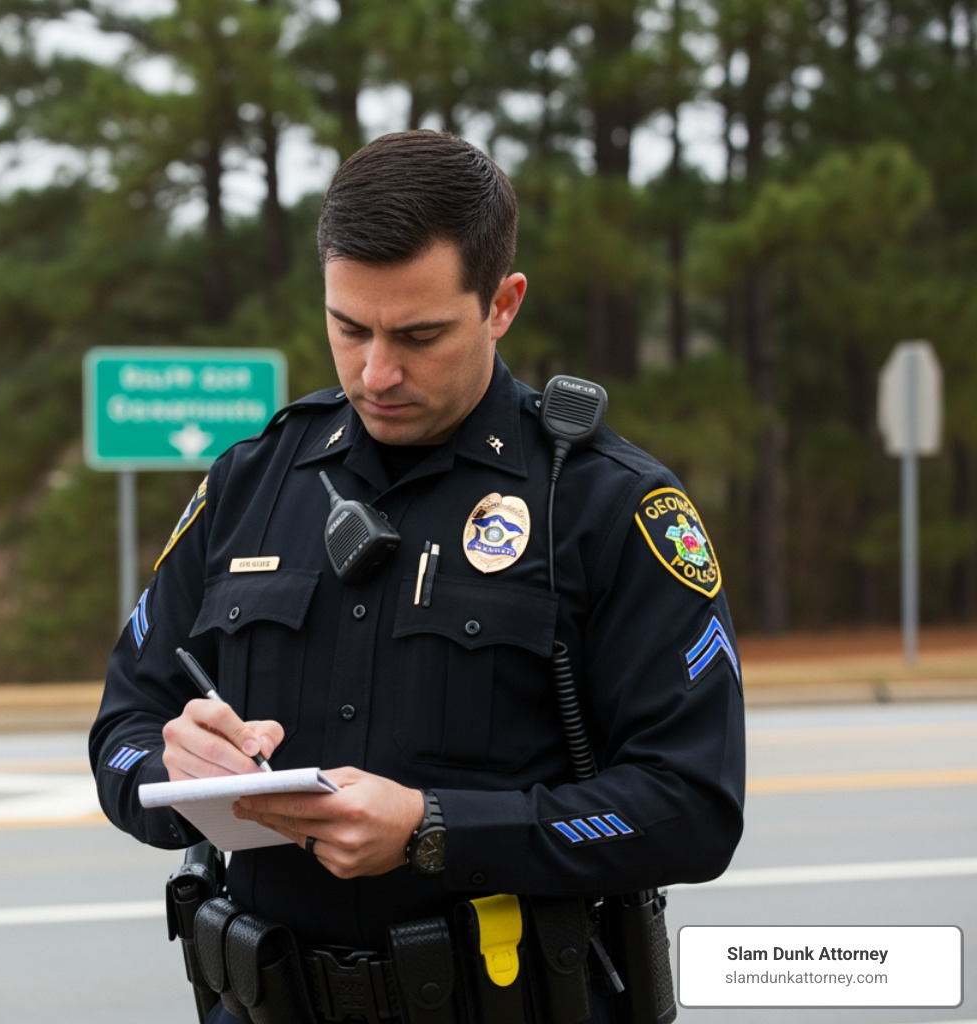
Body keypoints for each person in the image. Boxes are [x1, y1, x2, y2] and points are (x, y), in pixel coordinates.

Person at [90, 130, 745, 1024]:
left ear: (502, 303)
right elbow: (121, 730)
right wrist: (174, 770)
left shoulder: (607, 506)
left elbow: (691, 807)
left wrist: (438, 831)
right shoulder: (251, 482)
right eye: (348, 326)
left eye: (420, 334)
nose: (376, 371)